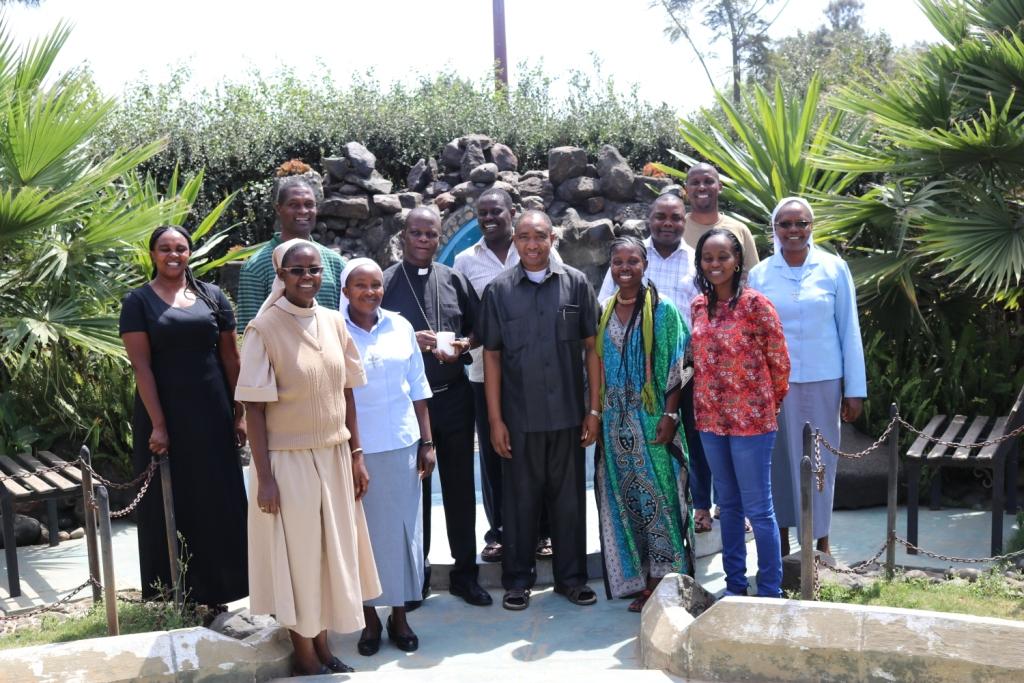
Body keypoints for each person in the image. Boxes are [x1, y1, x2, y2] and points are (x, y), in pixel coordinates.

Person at [237, 239, 380, 675]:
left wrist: (356, 454)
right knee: (299, 559)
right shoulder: (263, 330)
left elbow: (347, 394)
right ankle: (303, 653)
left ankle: (322, 645)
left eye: (314, 270)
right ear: (280, 276)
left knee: (328, 557)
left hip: (334, 457)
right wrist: (264, 477)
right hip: (288, 461)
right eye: (297, 271)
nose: (307, 278)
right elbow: (254, 411)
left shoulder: (335, 322)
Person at [119, 225, 248, 611]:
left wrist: (238, 414)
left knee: (216, 499)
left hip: (213, 413)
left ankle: (220, 593)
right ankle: (177, 593)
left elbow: (231, 358)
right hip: (166, 414)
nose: (173, 255)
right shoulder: (138, 302)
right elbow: (141, 368)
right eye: (164, 248)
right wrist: (159, 423)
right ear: (153, 253)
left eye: (180, 248)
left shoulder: (212, 297)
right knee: (171, 501)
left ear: (190, 253)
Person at [479, 209, 601, 611]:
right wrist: (495, 420)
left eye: (540, 236)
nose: (532, 245)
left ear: (553, 239)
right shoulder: (498, 291)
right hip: (520, 419)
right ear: (515, 242)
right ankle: (517, 580)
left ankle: (572, 579)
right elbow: (492, 358)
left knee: (569, 502)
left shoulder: (577, 284)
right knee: (519, 503)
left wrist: (593, 410)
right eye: (524, 237)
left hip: (568, 416)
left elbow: (591, 350)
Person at [382, 208, 491, 608]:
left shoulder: (454, 279)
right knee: (416, 491)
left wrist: (464, 345)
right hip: (408, 405)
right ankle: (417, 577)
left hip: (453, 395)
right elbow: (370, 329)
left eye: (431, 233)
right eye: (417, 233)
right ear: (404, 235)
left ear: (439, 237)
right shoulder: (386, 282)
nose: (424, 240)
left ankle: (466, 574)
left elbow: (481, 328)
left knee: (462, 488)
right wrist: (412, 337)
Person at [748, 197, 866, 557]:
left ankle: (822, 543)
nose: (794, 230)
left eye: (801, 223)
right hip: (776, 386)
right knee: (780, 464)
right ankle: (784, 545)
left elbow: (849, 329)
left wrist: (855, 389)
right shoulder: (760, 274)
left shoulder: (833, 268)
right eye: (786, 224)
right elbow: (754, 337)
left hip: (824, 379)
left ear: (811, 227)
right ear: (775, 228)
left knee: (821, 462)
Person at [453, 188, 558, 564]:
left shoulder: (536, 246)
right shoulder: (465, 261)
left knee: (540, 456)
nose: (489, 218)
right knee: (496, 454)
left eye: (496, 211)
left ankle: (543, 533)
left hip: (536, 375)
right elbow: (465, 316)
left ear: (511, 212)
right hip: (487, 373)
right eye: (482, 213)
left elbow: (558, 294)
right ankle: (498, 532)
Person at [595, 237, 694, 612]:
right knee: (629, 501)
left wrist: (670, 416)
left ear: (644, 264)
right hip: (616, 424)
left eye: (632, 260)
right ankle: (640, 575)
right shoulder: (604, 310)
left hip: (653, 421)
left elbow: (679, 366)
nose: (624, 268)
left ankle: (665, 580)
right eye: (617, 261)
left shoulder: (663, 311)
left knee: (662, 499)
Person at [690, 228, 790, 598]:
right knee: (727, 506)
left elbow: (779, 362)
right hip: (711, 421)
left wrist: (764, 405)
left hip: (752, 422)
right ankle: (734, 587)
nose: (715, 264)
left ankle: (769, 591)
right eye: (708, 258)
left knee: (758, 510)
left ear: (737, 260)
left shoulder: (756, 305)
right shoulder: (699, 306)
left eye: (722, 257)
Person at [343, 257, 434, 655]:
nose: (369, 292)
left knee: (401, 534)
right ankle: (369, 619)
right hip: (354, 449)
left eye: (376, 285)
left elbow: (417, 387)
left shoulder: (400, 326)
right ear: (345, 291)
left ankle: (399, 615)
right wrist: (353, 452)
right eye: (360, 285)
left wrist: (427, 443)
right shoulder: (333, 329)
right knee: (360, 537)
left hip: (401, 444)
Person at [235, 176, 345, 331]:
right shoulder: (256, 266)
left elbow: (346, 325)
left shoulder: (335, 263)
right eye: (294, 205)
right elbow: (249, 330)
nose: (303, 211)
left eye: (309, 205)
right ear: (278, 209)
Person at [683, 163, 759, 272]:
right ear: (687, 189)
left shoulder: (740, 230)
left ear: (720, 187)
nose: (702, 187)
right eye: (695, 183)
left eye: (708, 181)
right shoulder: (677, 230)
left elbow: (754, 277)